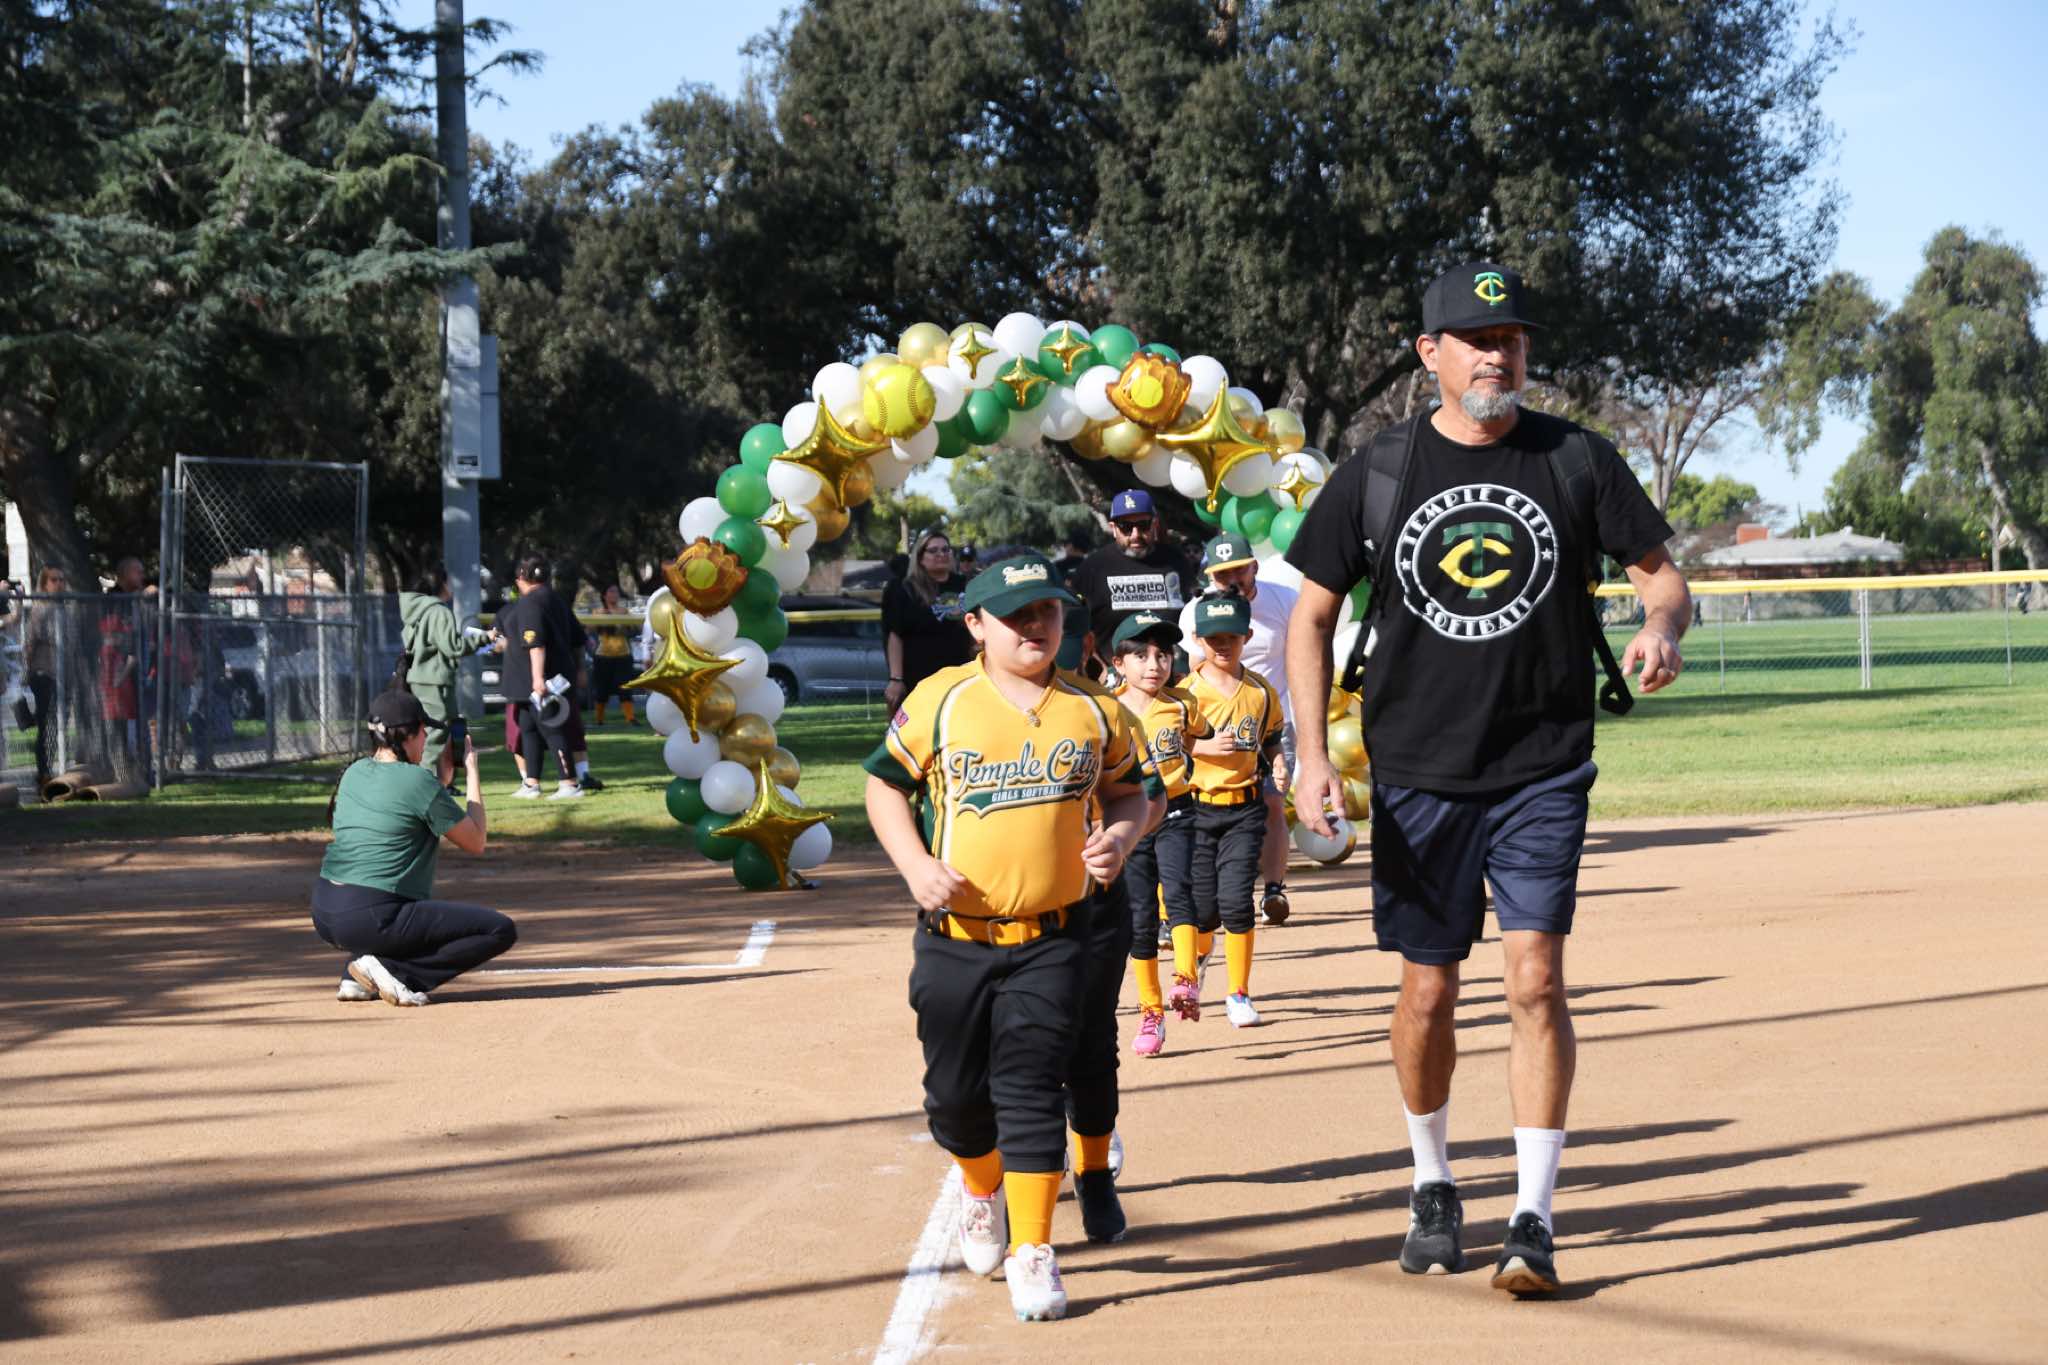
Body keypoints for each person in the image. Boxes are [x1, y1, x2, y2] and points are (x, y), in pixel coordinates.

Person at [1284, 261, 1690, 1294]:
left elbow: (1662, 578)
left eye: (1509, 338)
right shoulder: (1379, 469)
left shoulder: (1576, 459)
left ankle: (1532, 1217)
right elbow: (1310, 617)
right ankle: (1431, 1183)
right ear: (1430, 354)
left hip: (1540, 766)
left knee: (1535, 979)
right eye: (1475, 339)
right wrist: (1308, 753)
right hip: (1417, 772)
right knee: (1427, 992)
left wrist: (1660, 627)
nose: (1496, 355)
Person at [862, 552, 1152, 1323]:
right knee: (955, 1101)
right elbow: (884, 784)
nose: (1034, 625)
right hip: (954, 938)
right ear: (975, 625)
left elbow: (1132, 794)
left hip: (1053, 939)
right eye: (1015, 615)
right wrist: (915, 864)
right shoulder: (942, 699)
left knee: (1030, 1087)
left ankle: (1034, 1248)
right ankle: (981, 1183)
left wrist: (1120, 840)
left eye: (1047, 610)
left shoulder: (1094, 707)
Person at [310, 689, 512, 1006]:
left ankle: (356, 973)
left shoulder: (354, 771)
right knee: (499, 930)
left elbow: (400, 805)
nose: (427, 736)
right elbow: (476, 841)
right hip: (372, 917)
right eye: (422, 729)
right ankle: (396, 972)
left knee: (400, 915)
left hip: (326, 911)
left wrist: (440, 783)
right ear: (406, 735)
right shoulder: (418, 781)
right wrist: (472, 771)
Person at [1178, 533, 1302, 925]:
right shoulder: (1195, 612)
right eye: (1222, 574)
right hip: (1216, 727)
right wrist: (1201, 739)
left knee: (1272, 803)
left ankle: (1274, 890)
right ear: (1209, 576)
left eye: (1239, 571)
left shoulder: (1285, 600)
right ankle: (1217, 889)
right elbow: (1196, 676)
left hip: (1273, 717)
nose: (1232, 580)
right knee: (1210, 807)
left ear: (1254, 567)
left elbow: (1301, 658)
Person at [1178, 592, 1284, 1029]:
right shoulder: (1185, 694)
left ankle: (1238, 992)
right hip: (1198, 810)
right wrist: (1202, 747)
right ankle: (1201, 959)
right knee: (1204, 911)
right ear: (1197, 639)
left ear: (1248, 636)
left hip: (1244, 808)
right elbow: (1167, 745)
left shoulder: (1260, 691)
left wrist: (1278, 760)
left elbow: (1272, 736)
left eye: (1232, 637)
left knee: (1238, 903)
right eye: (1213, 638)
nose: (1223, 645)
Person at [1109, 611, 1210, 1058]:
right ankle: (1151, 1011)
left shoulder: (1182, 704)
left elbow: (1196, 739)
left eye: (1163, 655)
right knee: (1140, 915)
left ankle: (1186, 979)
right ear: (1118, 663)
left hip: (1176, 810)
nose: (1154, 665)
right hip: (1130, 821)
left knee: (1180, 889)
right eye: (1141, 656)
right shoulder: (1107, 708)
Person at [1064, 490, 1200, 670]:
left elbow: (1194, 617)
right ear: (1113, 528)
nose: (1135, 534)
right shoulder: (1093, 567)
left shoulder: (1176, 561)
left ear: (1154, 524)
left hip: (1170, 674)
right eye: (1126, 527)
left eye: (1143, 525)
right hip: (1113, 676)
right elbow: (1075, 626)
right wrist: (1101, 670)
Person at [497, 556, 587, 800]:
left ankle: (569, 783)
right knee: (528, 727)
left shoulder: (530, 602)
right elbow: (578, 638)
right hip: (537, 679)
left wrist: (538, 678)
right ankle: (531, 783)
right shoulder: (556, 599)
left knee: (552, 728)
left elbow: (535, 643)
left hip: (540, 680)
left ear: (521, 578)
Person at [398, 566, 492, 768]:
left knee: (439, 730)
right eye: (449, 582)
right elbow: (454, 647)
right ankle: (427, 778)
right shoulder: (438, 611)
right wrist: (485, 639)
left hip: (419, 679)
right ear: (441, 584)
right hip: (434, 681)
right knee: (437, 731)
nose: (452, 587)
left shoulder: (417, 611)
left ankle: (442, 778)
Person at [881, 528, 974, 710]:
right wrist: (896, 679)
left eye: (945, 549)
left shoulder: (964, 585)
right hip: (918, 677)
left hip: (960, 675)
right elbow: (895, 636)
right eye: (933, 550)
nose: (941, 554)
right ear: (920, 557)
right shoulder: (905, 589)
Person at [21, 567, 67, 789]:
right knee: (46, 723)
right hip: (43, 673)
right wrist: (27, 671)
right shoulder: (40, 609)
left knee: (57, 723)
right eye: (54, 580)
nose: (59, 584)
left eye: (62, 580)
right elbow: (30, 643)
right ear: (44, 584)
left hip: (61, 674)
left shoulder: (64, 608)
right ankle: (43, 772)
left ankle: (52, 766)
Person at [588, 585, 640, 726]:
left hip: (623, 655)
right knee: (602, 689)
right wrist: (604, 619)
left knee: (625, 687)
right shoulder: (598, 612)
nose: (615, 594)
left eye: (616, 591)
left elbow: (635, 629)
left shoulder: (624, 611)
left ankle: (630, 718)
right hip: (603, 656)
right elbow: (590, 629)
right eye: (611, 591)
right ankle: (599, 719)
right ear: (604, 595)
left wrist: (625, 628)